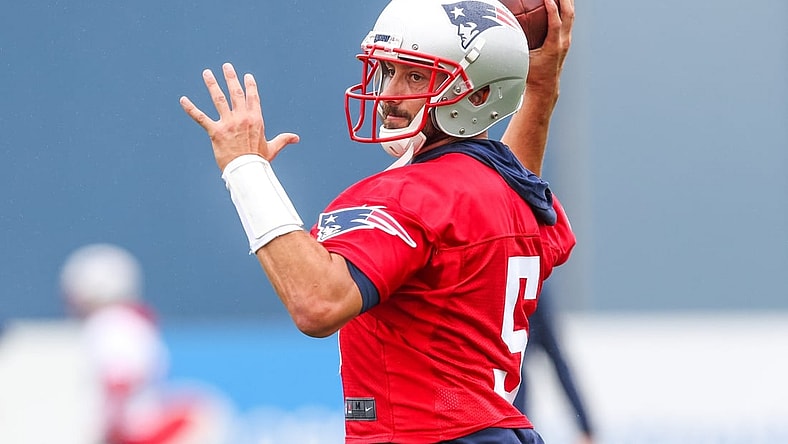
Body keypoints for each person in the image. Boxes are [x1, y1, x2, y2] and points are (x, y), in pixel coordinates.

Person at [180, 0, 575, 442]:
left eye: (416, 76)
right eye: (388, 71)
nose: (389, 94)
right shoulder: (512, 191)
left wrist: (246, 172)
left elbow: (318, 304)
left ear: (478, 94)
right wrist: (541, 87)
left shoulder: (413, 195)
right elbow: (496, 184)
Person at [60, 243, 231, 444]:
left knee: (198, 414)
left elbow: (118, 383)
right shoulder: (122, 323)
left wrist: (111, 432)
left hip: (130, 434)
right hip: (129, 431)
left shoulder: (110, 323)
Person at [515, 283, 595, 444]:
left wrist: (585, 427)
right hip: (493, 406)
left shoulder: (532, 287)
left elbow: (556, 358)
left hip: (503, 406)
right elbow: (557, 359)